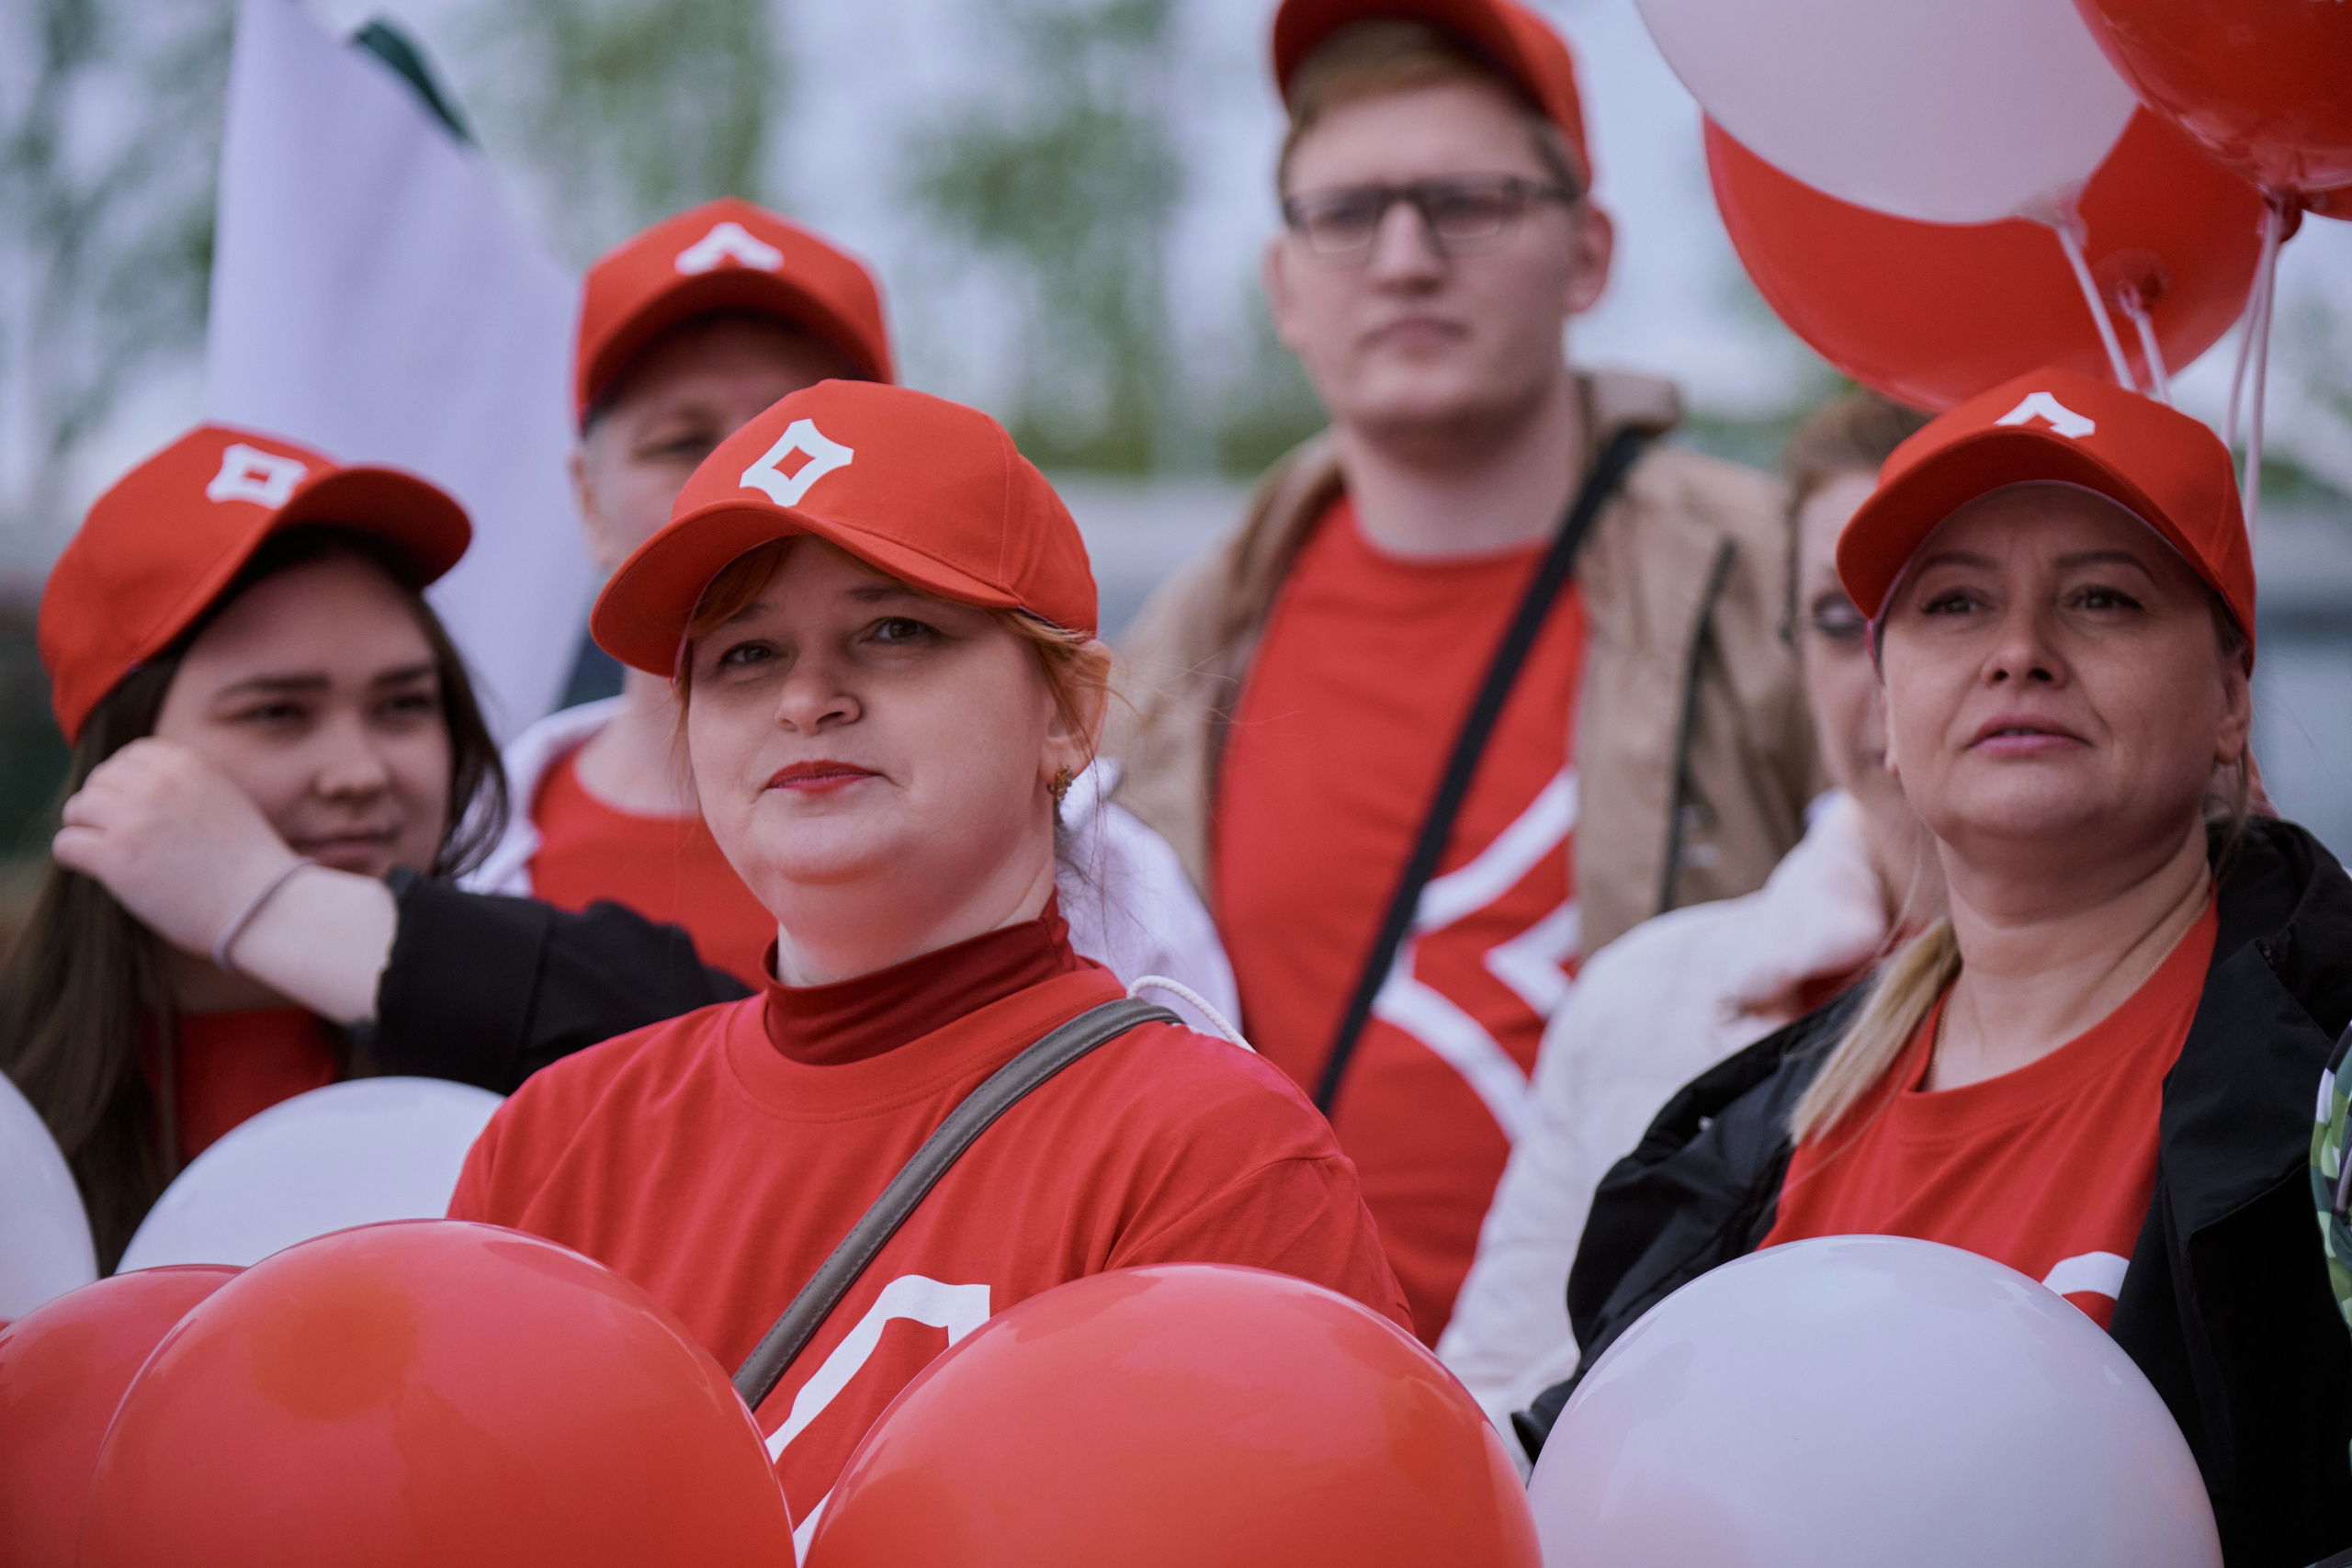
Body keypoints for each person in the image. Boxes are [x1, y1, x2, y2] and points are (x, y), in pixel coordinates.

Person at [447, 379, 1409, 1545]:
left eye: (894, 630)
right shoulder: (554, 1144)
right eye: (746, 653)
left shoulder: (1214, 1159)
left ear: (1070, 713)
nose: (808, 698)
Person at [1522, 368, 2352, 1567]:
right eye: (1955, 604)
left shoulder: (2328, 1078)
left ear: (2230, 692)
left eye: (2103, 598)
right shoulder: (1740, 1138)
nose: (2020, 650)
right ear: (1889, 702)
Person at [1107, 0, 1815, 1341]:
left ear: (1588, 252)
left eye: (1469, 201)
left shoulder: (1785, 587)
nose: (1407, 256)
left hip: (1631, 1428)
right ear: (1284, 284)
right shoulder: (1171, 654)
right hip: (1250, 1416)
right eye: (1350, 212)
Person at [468, 197, 1234, 1018]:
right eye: (681, 441)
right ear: (587, 503)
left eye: (796, 429)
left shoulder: (1112, 881)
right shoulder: (462, 856)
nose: (750, 471)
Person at [1439, 390, 1939, 1432]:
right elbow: (1482, 1420)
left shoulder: (2246, 1012)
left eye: (1950, 604)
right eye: (1841, 623)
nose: (1899, 673)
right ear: (1789, 650)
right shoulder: (1645, 993)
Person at [0, 424, 504, 1267]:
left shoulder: (544, 1028)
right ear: (120, 752)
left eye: (404, 704)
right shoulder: (19, 1079)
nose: (358, 772)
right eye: (277, 712)